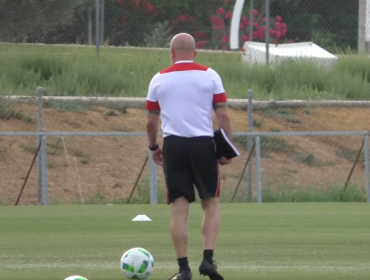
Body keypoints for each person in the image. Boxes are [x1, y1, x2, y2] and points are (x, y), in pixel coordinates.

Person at [145, 33, 233, 280]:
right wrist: (225, 149)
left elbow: (151, 121)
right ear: (195, 53)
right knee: (210, 203)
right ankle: (207, 260)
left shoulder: (159, 79)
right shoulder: (210, 75)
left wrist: (154, 147)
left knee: (179, 208)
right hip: (203, 144)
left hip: (174, 145)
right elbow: (223, 115)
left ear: (171, 53)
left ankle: (183, 269)